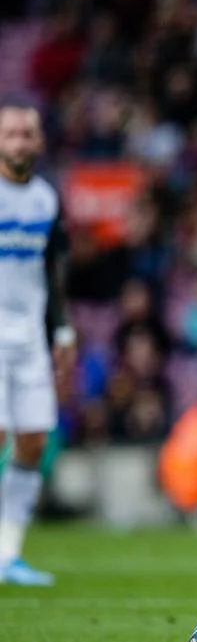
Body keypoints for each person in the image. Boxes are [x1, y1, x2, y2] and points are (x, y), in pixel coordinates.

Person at [0, 103, 74, 586]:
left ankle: (7, 554)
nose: (20, 142)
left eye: (27, 133)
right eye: (11, 133)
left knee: (33, 441)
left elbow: (53, 270)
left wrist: (62, 330)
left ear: (40, 140)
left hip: (28, 338)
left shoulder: (46, 199)